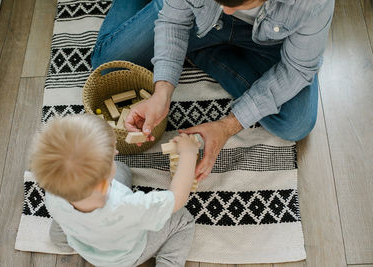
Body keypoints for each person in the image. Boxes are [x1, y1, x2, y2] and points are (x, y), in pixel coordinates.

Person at [91, 0, 335, 181]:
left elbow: (298, 69)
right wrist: (163, 89)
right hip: (199, 16)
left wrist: (229, 125)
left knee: (296, 123)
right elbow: (174, 20)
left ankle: (199, 50)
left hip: (266, 41)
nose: (228, 10)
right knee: (108, 67)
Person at [30, 114, 199, 267]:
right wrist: (188, 154)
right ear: (104, 186)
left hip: (82, 241)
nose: (117, 151)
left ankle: (62, 241)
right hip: (125, 258)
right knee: (183, 220)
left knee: (121, 170)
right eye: (112, 155)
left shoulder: (54, 192)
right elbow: (177, 198)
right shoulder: (128, 207)